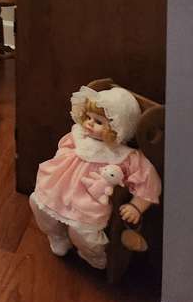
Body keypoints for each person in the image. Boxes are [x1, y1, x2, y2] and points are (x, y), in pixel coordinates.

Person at [30, 85, 161, 270]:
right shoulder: (78, 135)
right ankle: (57, 236)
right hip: (58, 188)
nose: (89, 124)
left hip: (88, 200)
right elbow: (63, 150)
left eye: (98, 122)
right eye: (89, 117)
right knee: (39, 205)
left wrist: (136, 206)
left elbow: (147, 180)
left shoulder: (124, 155)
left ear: (118, 128)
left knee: (83, 232)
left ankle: (93, 254)